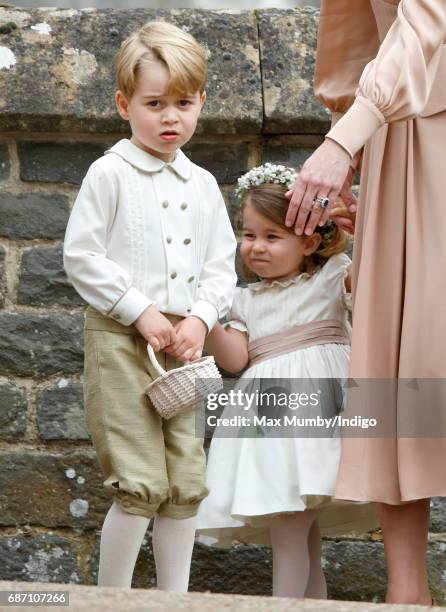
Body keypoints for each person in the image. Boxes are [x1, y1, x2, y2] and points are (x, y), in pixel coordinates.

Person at [63, 21, 237, 591]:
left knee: (184, 475)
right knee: (138, 477)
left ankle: (174, 601)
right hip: (121, 337)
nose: (171, 117)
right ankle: (111, 598)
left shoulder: (204, 184)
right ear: (124, 104)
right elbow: (82, 255)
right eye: (155, 103)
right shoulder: (109, 173)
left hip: (184, 345)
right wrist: (139, 310)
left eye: (183, 103)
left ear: (201, 103)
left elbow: (220, 266)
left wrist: (201, 318)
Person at [285, 1, 446, 605]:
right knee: (397, 366)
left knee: (431, 356)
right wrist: (349, 134)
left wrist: (343, 139)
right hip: (400, 137)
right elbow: (352, 25)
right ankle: (408, 595)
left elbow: (429, 18)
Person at [196, 164, 377, 599]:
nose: (256, 247)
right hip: (270, 420)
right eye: (249, 235)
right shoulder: (242, 300)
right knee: (294, 522)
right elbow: (236, 358)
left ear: (310, 242)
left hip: (323, 412)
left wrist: (365, 223)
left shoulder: (333, 276)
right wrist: (202, 316)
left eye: (272, 237)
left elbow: (375, 278)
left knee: (295, 522)